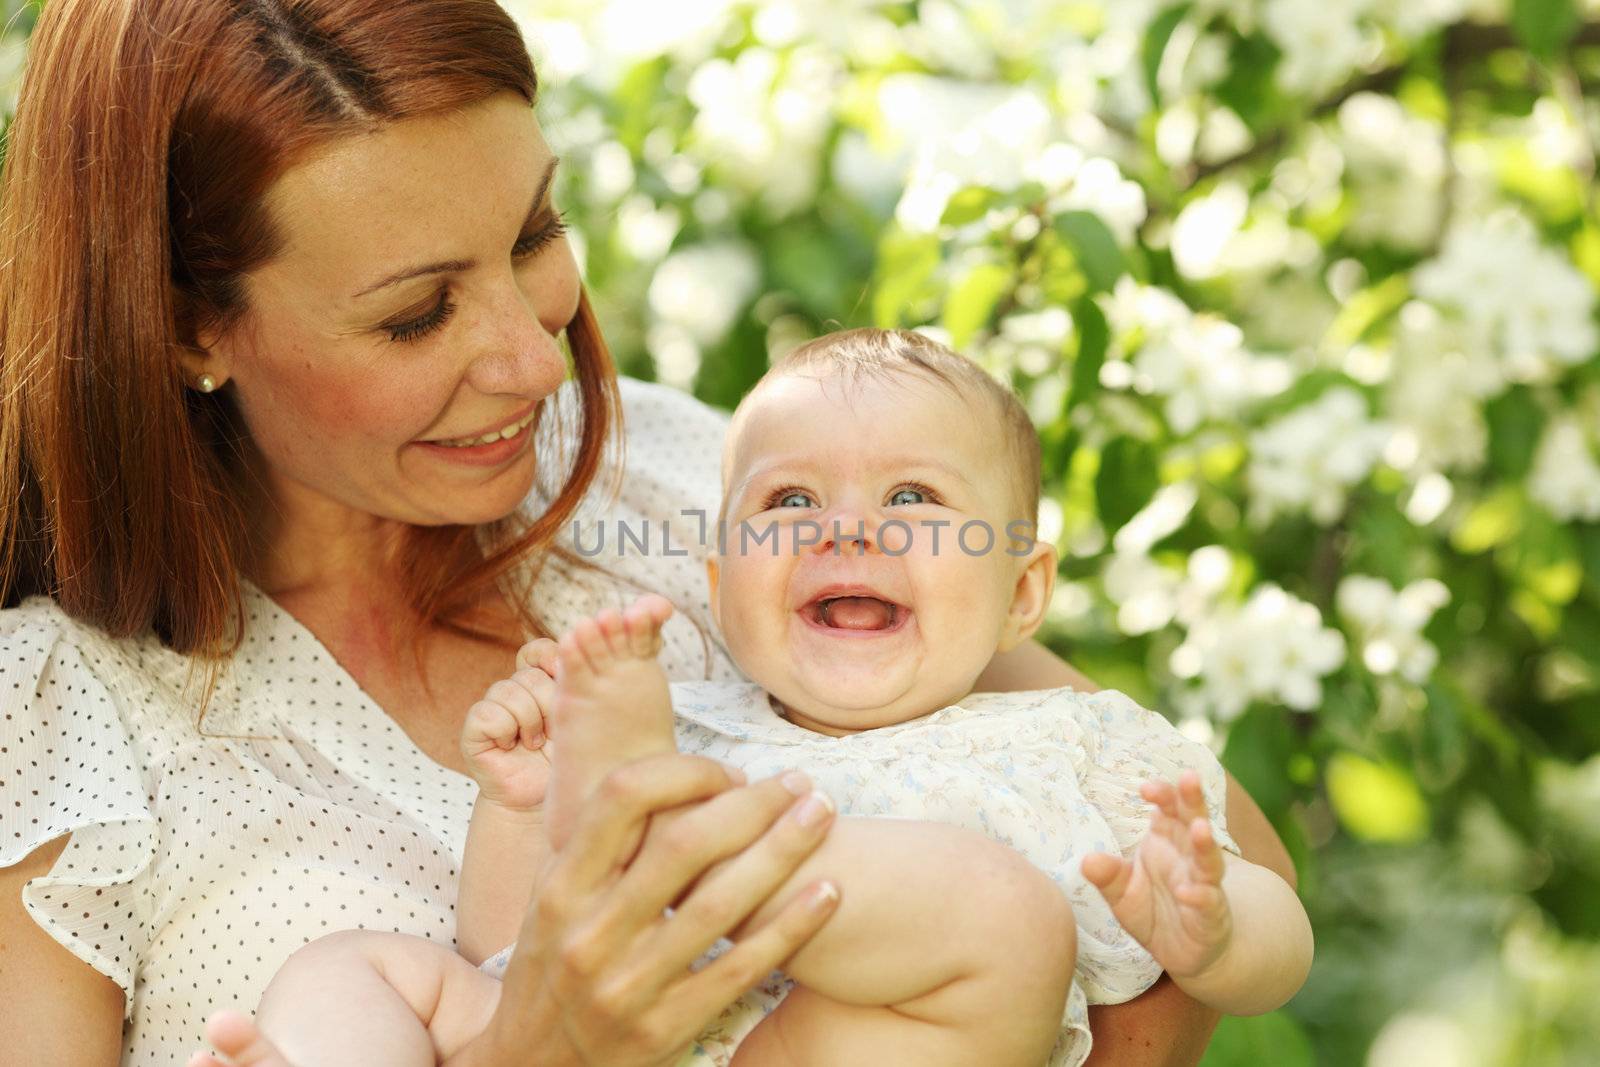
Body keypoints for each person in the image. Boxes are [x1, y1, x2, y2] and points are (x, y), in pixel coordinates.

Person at [0, 3, 1297, 1065]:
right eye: (414, 316)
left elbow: (1199, 850)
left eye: (533, 235)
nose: (531, 360)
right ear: (184, 326)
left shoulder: (684, 475)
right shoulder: (57, 730)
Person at [190, 330, 1312, 1067]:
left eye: (913, 494)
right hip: (585, 1043)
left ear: (1023, 589)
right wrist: (527, 804)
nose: (846, 529)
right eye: (788, 501)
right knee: (358, 964)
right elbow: (509, 941)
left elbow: (1279, 946)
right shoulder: (689, 715)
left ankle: (691, 852)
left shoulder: (1072, 742)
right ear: (721, 588)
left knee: (1001, 912)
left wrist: (1210, 933)